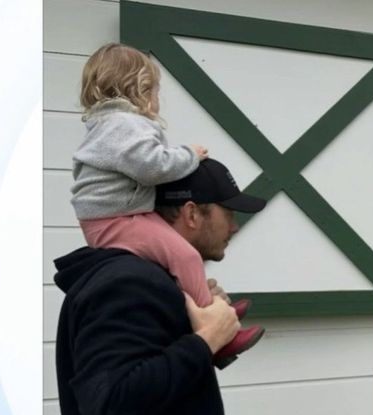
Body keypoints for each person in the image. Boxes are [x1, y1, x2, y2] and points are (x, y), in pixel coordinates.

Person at [53, 158, 267, 415]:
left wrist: (194, 333)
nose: (234, 226)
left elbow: (154, 385)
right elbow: (112, 405)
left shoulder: (152, 281)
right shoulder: (127, 284)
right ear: (192, 213)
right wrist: (205, 341)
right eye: (228, 213)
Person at [70, 42, 262, 366]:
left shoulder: (108, 124)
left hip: (119, 216)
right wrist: (189, 154)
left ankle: (212, 307)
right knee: (184, 253)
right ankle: (218, 326)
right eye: (156, 89)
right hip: (115, 220)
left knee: (173, 260)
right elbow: (152, 167)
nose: (158, 100)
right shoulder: (124, 124)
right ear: (140, 89)